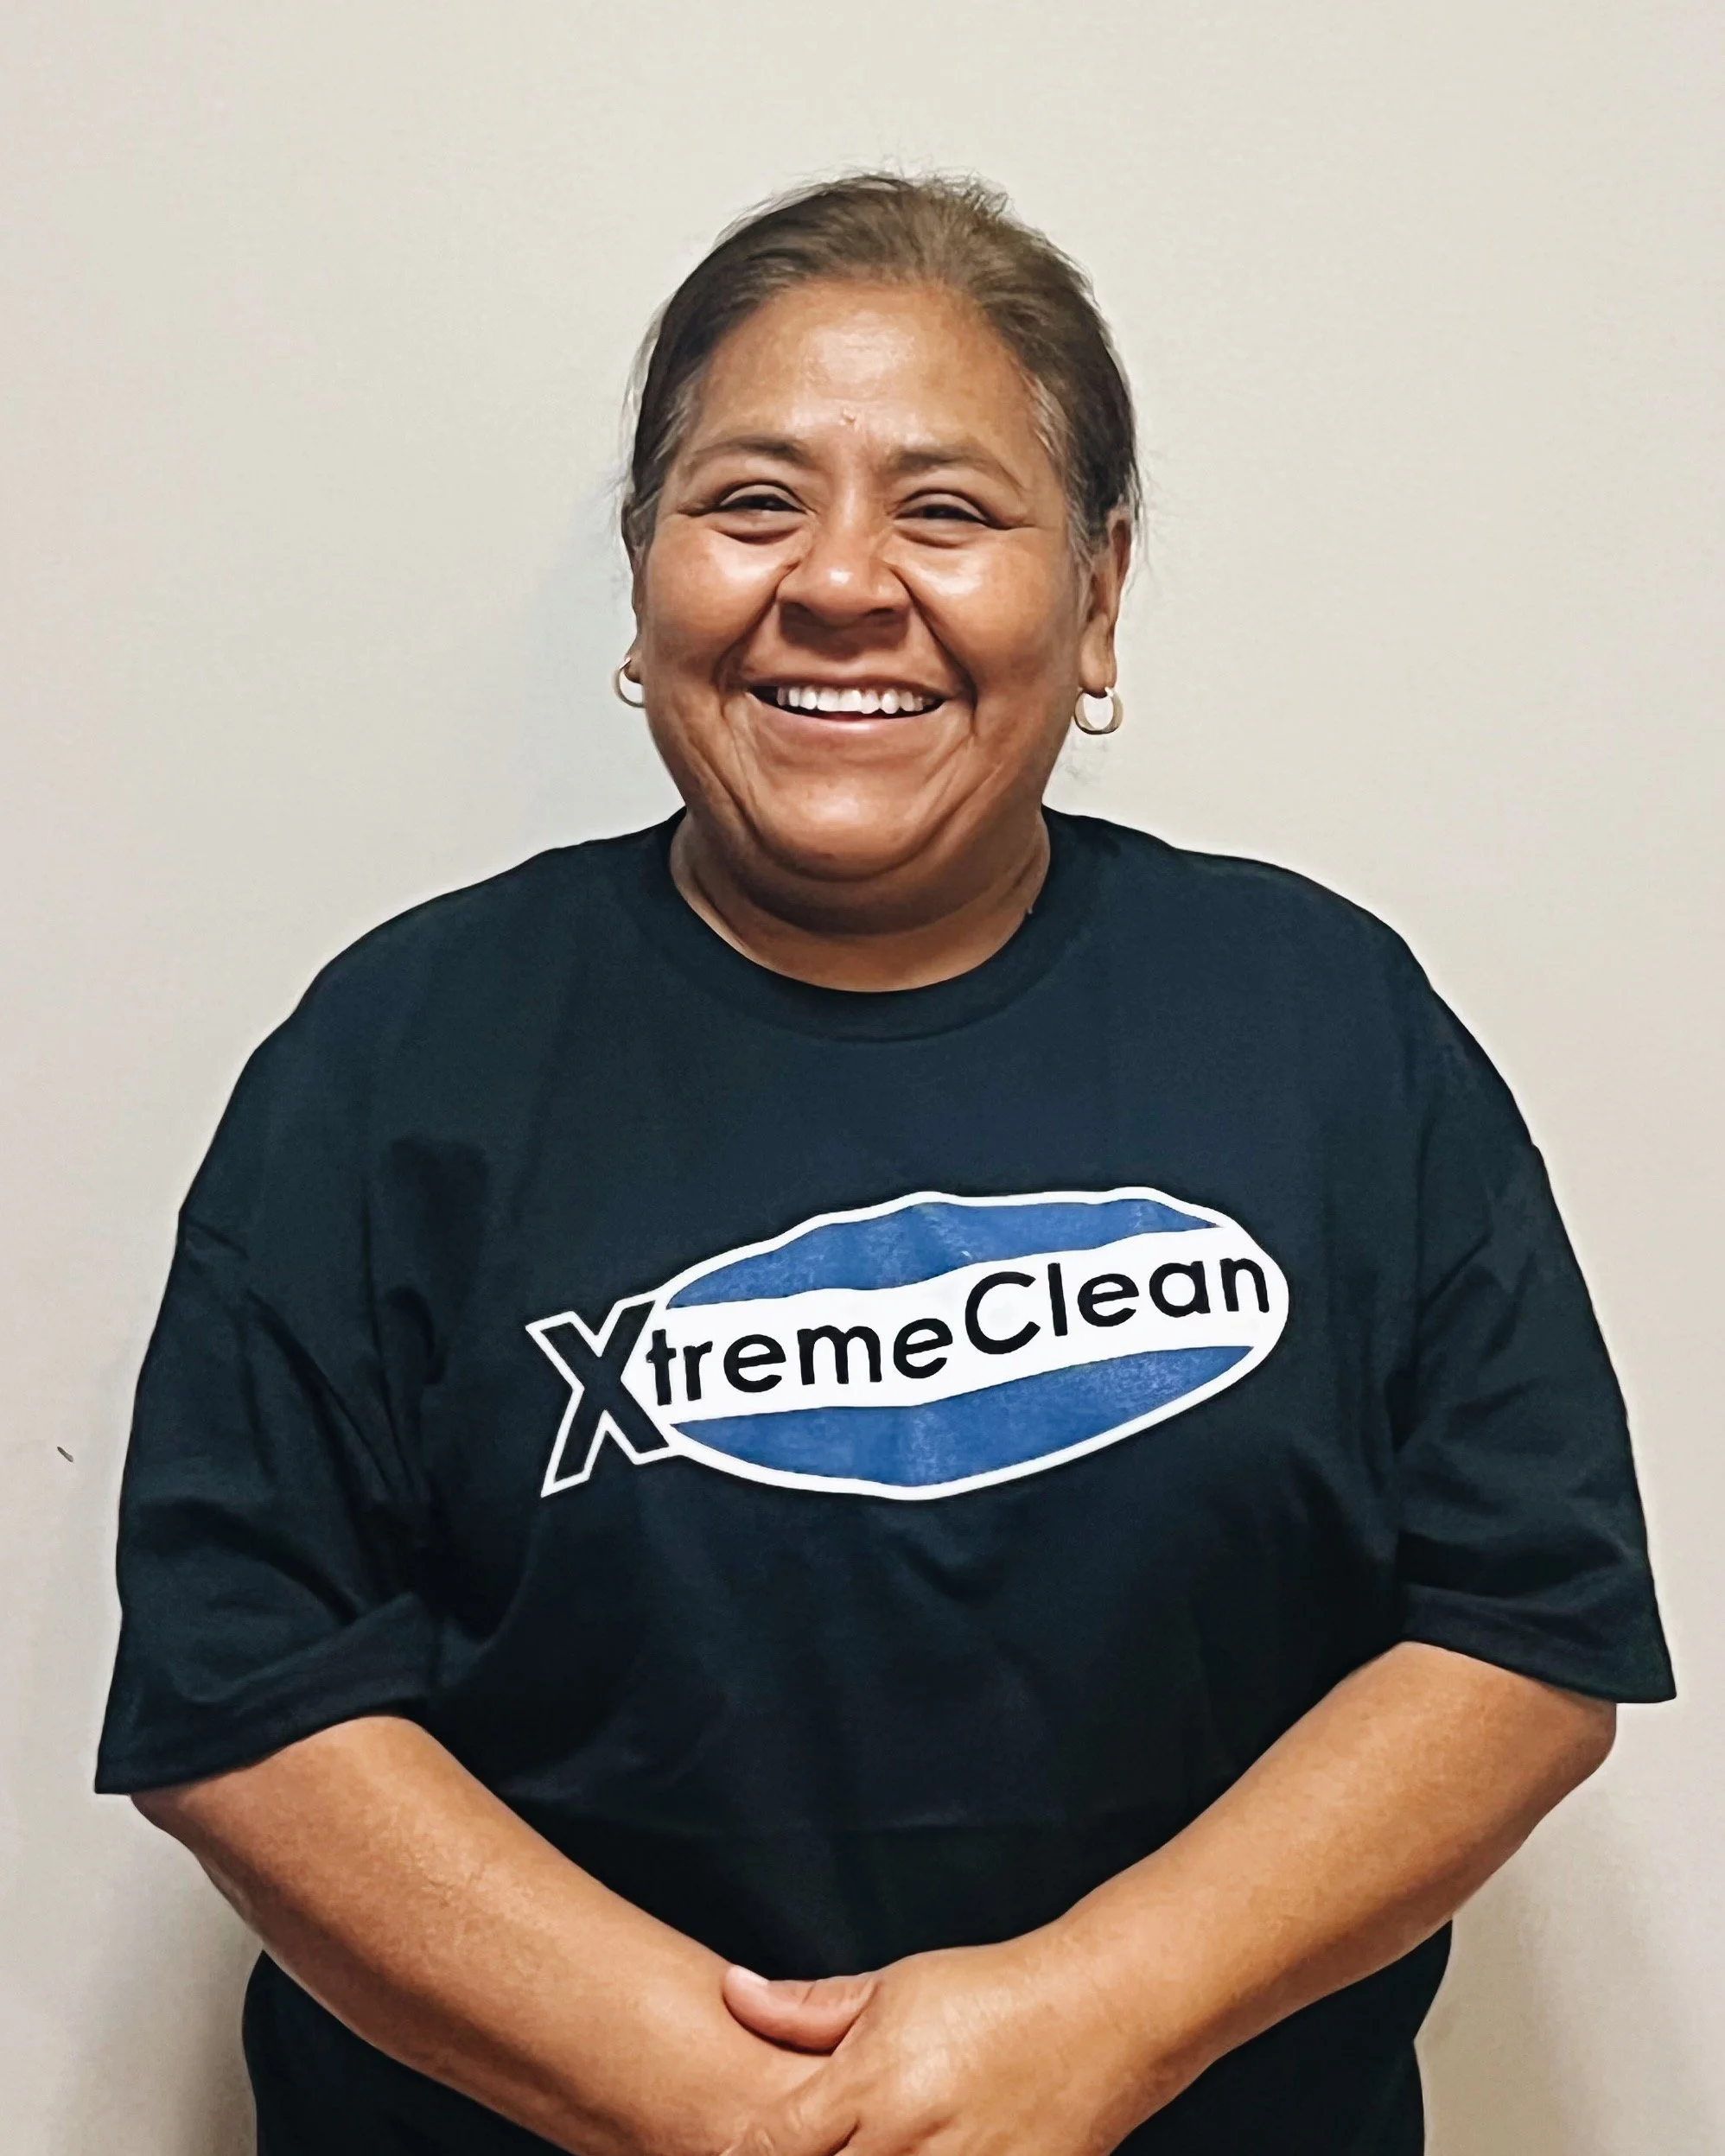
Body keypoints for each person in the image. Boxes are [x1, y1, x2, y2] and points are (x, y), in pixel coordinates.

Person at [97, 173, 1672, 2156]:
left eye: (945, 508)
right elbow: (243, 1686)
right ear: (643, 571)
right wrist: (709, 2099)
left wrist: (1089, 2018)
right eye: (751, 502)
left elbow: (1520, 1628)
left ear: (1095, 595)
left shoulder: (1323, 1023)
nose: (838, 580)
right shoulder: (394, 1051)